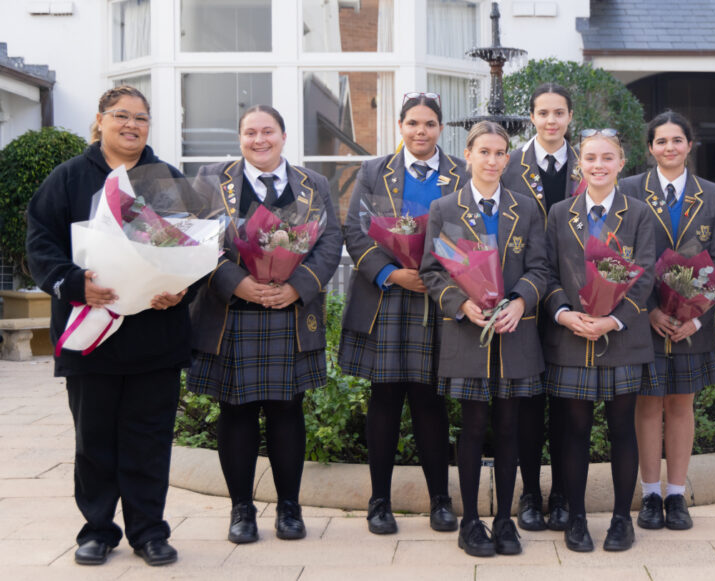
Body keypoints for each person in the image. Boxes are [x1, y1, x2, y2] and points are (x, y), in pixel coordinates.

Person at [25, 86, 185, 567]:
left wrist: (180, 288)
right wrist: (74, 284)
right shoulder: (67, 178)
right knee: (93, 440)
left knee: (149, 440)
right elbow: (40, 245)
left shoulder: (166, 179)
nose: (131, 125)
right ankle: (97, 529)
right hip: (90, 332)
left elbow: (195, 244)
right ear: (101, 121)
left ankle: (149, 531)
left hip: (154, 334)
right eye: (121, 116)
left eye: (141, 118)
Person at [187, 105, 342, 544]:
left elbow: (330, 243)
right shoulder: (211, 180)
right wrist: (236, 283)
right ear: (239, 138)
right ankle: (241, 510)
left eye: (268, 131)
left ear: (283, 135)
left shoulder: (315, 185)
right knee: (235, 412)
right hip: (232, 314)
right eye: (250, 132)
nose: (260, 140)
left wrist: (298, 286)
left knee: (287, 410)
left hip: (290, 313)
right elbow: (194, 238)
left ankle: (290, 508)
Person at [338, 92, 465, 535]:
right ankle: (379, 502)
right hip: (387, 299)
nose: (421, 131)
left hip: (440, 301)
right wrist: (391, 272)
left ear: (441, 128)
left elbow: (471, 237)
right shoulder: (374, 171)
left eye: (429, 124)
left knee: (431, 403)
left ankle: (441, 501)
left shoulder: (461, 174)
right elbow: (354, 230)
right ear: (400, 126)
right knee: (385, 401)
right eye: (413, 123)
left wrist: (435, 277)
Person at [421, 121, 548, 557]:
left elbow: (540, 269)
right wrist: (459, 303)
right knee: (473, 426)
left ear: (507, 159)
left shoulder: (526, 208)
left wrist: (519, 301)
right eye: (484, 152)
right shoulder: (445, 208)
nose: (492, 160)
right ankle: (471, 521)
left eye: (500, 153)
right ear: (468, 155)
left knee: (510, 427)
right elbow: (432, 270)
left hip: (515, 334)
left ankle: (505, 522)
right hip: (466, 335)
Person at [543, 128, 656, 552]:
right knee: (574, 432)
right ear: (580, 164)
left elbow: (644, 277)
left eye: (607, 158)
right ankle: (575, 518)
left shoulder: (640, 214)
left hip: (621, 340)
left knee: (622, 430)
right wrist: (563, 313)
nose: (598, 165)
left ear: (621, 163)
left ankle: (620, 522)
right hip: (571, 339)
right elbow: (547, 271)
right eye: (590, 158)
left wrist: (614, 320)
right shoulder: (560, 212)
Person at [620, 111, 715, 531]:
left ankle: (676, 496)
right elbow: (623, 254)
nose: (669, 147)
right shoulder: (630, 189)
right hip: (644, 317)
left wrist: (698, 316)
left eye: (677, 140)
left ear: (690, 145)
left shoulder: (713, 193)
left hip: (691, 322)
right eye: (661, 141)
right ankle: (650, 494)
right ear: (650, 148)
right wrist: (648, 309)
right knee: (648, 405)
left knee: (682, 404)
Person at [500, 82, 580, 531]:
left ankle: (564, 494)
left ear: (570, 117)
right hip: (524, 301)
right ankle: (530, 494)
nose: (551, 120)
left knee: (569, 406)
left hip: (576, 299)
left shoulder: (587, 164)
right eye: (543, 112)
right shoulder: (509, 165)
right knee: (526, 406)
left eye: (559, 113)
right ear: (531, 117)